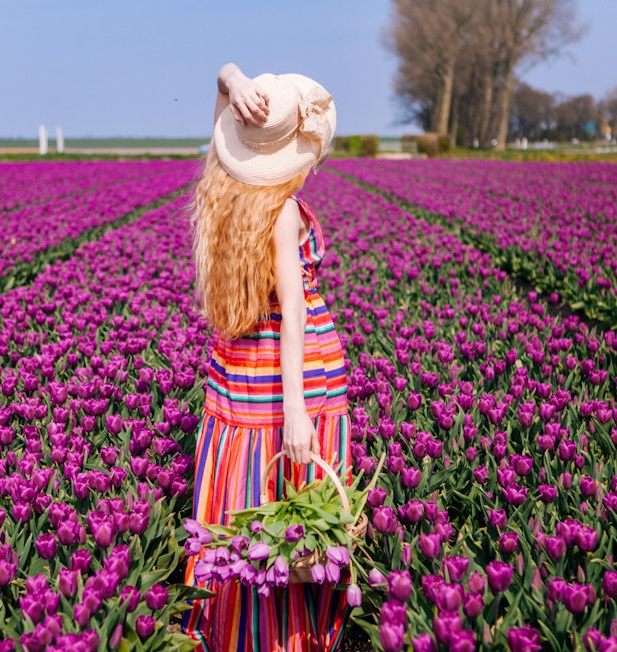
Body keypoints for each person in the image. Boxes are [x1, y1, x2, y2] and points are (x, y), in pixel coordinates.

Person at [182, 62, 351, 651]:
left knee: (242, 493)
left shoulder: (225, 191)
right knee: (292, 505)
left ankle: (229, 626)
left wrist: (229, 77)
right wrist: (298, 412)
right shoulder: (280, 210)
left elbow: (219, 121)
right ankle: (285, 637)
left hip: (236, 375)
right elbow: (295, 315)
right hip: (292, 377)